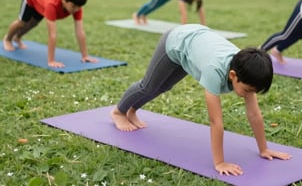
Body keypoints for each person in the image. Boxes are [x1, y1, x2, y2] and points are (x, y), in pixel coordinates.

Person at [111, 24, 291, 176]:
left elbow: (254, 114)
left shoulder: (247, 72)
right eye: (248, 90)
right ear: (233, 75)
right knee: (148, 86)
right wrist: (220, 163)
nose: (249, 94)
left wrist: (264, 149)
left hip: (193, 45)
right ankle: (119, 112)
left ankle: (132, 110)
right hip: (176, 42)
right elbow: (216, 121)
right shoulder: (215, 71)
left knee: (164, 87)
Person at [3, 0, 98, 68]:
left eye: (79, 6)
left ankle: (17, 37)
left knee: (33, 23)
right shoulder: (52, 5)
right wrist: (51, 61)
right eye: (74, 6)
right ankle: (8, 39)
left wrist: (85, 56)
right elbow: (52, 35)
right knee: (22, 22)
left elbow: (80, 31)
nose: (76, 9)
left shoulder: (76, 6)